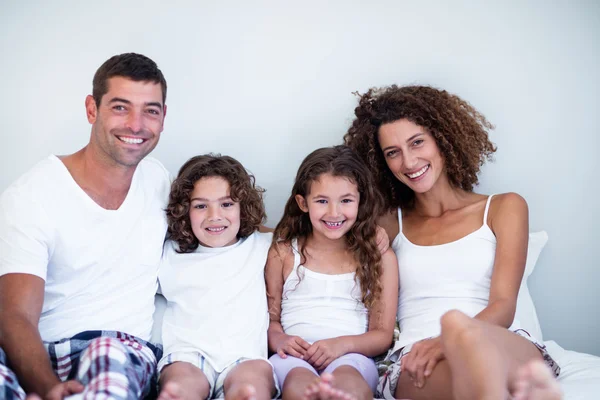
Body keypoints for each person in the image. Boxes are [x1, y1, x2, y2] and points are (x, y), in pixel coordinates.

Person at [344, 85, 561, 400]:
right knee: (468, 375)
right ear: (383, 162)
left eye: (417, 142)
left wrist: (449, 338)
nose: (408, 161)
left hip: (496, 337)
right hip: (417, 352)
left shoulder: (504, 207)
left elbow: (504, 305)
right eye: (393, 152)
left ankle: (470, 346)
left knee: (479, 351)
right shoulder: (389, 224)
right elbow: (318, 235)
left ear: (442, 138)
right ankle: (500, 387)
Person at [0, 53, 170, 400]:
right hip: (35, 348)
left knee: (109, 376)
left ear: (163, 117)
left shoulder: (160, 182)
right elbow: (14, 314)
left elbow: (225, 229)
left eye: (150, 110)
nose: (136, 125)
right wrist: (47, 387)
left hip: (118, 345)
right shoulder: (31, 195)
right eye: (121, 107)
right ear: (92, 109)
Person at [266, 145, 399, 400]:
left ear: (361, 201)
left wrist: (341, 345)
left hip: (353, 357)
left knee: (348, 386)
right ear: (303, 203)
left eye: (346, 200)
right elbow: (271, 319)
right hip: (293, 358)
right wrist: (279, 339)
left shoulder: (379, 257)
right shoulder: (283, 253)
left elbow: (382, 335)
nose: (334, 212)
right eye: (322, 201)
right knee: (300, 386)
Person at [157, 154, 278, 400]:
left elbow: (309, 239)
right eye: (201, 206)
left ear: (243, 207)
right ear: (184, 211)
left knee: (252, 386)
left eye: (226, 204)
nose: (215, 216)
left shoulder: (263, 245)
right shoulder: (169, 253)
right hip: (187, 354)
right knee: (181, 384)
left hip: (245, 357)